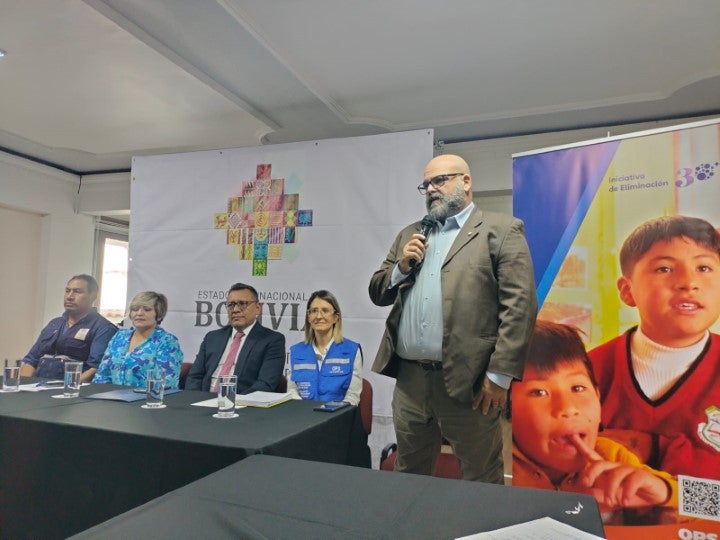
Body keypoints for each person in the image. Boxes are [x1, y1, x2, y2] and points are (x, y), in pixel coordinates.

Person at [369, 154, 537, 483]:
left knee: (480, 478)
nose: (431, 189)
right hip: (411, 382)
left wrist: (499, 377)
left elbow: (519, 308)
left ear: (466, 182)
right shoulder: (409, 235)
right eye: (426, 184)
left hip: (471, 381)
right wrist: (401, 267)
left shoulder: (501, 230)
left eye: (440, 180)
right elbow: (378, 292)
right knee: (409, 474)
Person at [588, 215, 720, 480]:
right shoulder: (586, 372)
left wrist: (654, 448)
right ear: (627, 291)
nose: (688, 282)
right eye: (664, 269)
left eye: (703, 267)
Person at [512, 320, 677, 522]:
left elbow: (709, 502)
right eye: (539, 392)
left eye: (578, 388)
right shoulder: (487, 467)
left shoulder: (612, 456)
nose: (568, 408)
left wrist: (665, 491)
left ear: (598, 398)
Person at [186, 282, 285, 393]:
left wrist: (233, 400)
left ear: (257, 308)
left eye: (242, 304)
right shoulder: (212, 337)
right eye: (231, 305)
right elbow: (194, 377)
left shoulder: (272, 340)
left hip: (242, 401)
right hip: (205, 399)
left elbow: (265, 384)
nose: (235, 309)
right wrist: (195, 400)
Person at [19, 274, 118, 382]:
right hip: (38, 386)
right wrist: (23, 385)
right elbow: (31, 360)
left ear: (93, 296)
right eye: (67, 291)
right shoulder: (55, 323)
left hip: (72, 388)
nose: (69, 296)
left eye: (77, 291)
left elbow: (95, 368)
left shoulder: (103, 328)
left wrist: (68, 387)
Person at [93, 291, 184, 389]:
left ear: (159, 315)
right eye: (135, 309)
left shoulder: (167, 342)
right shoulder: (120, 336)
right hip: (112, 396)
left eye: (147, 309)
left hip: (146, 397)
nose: (139, 313)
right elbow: (102, 375)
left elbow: (166, 384)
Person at [287, 290, 362, 405]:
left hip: (338, 414)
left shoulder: (352, 350)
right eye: (314, 311)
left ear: (335, 317)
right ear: (308, 317)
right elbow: (292, 392)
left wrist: (332, 413)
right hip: (303, 413)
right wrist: (303, 411)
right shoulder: (296, 351)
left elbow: (352, 397)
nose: (318, 316)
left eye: (325, 311)